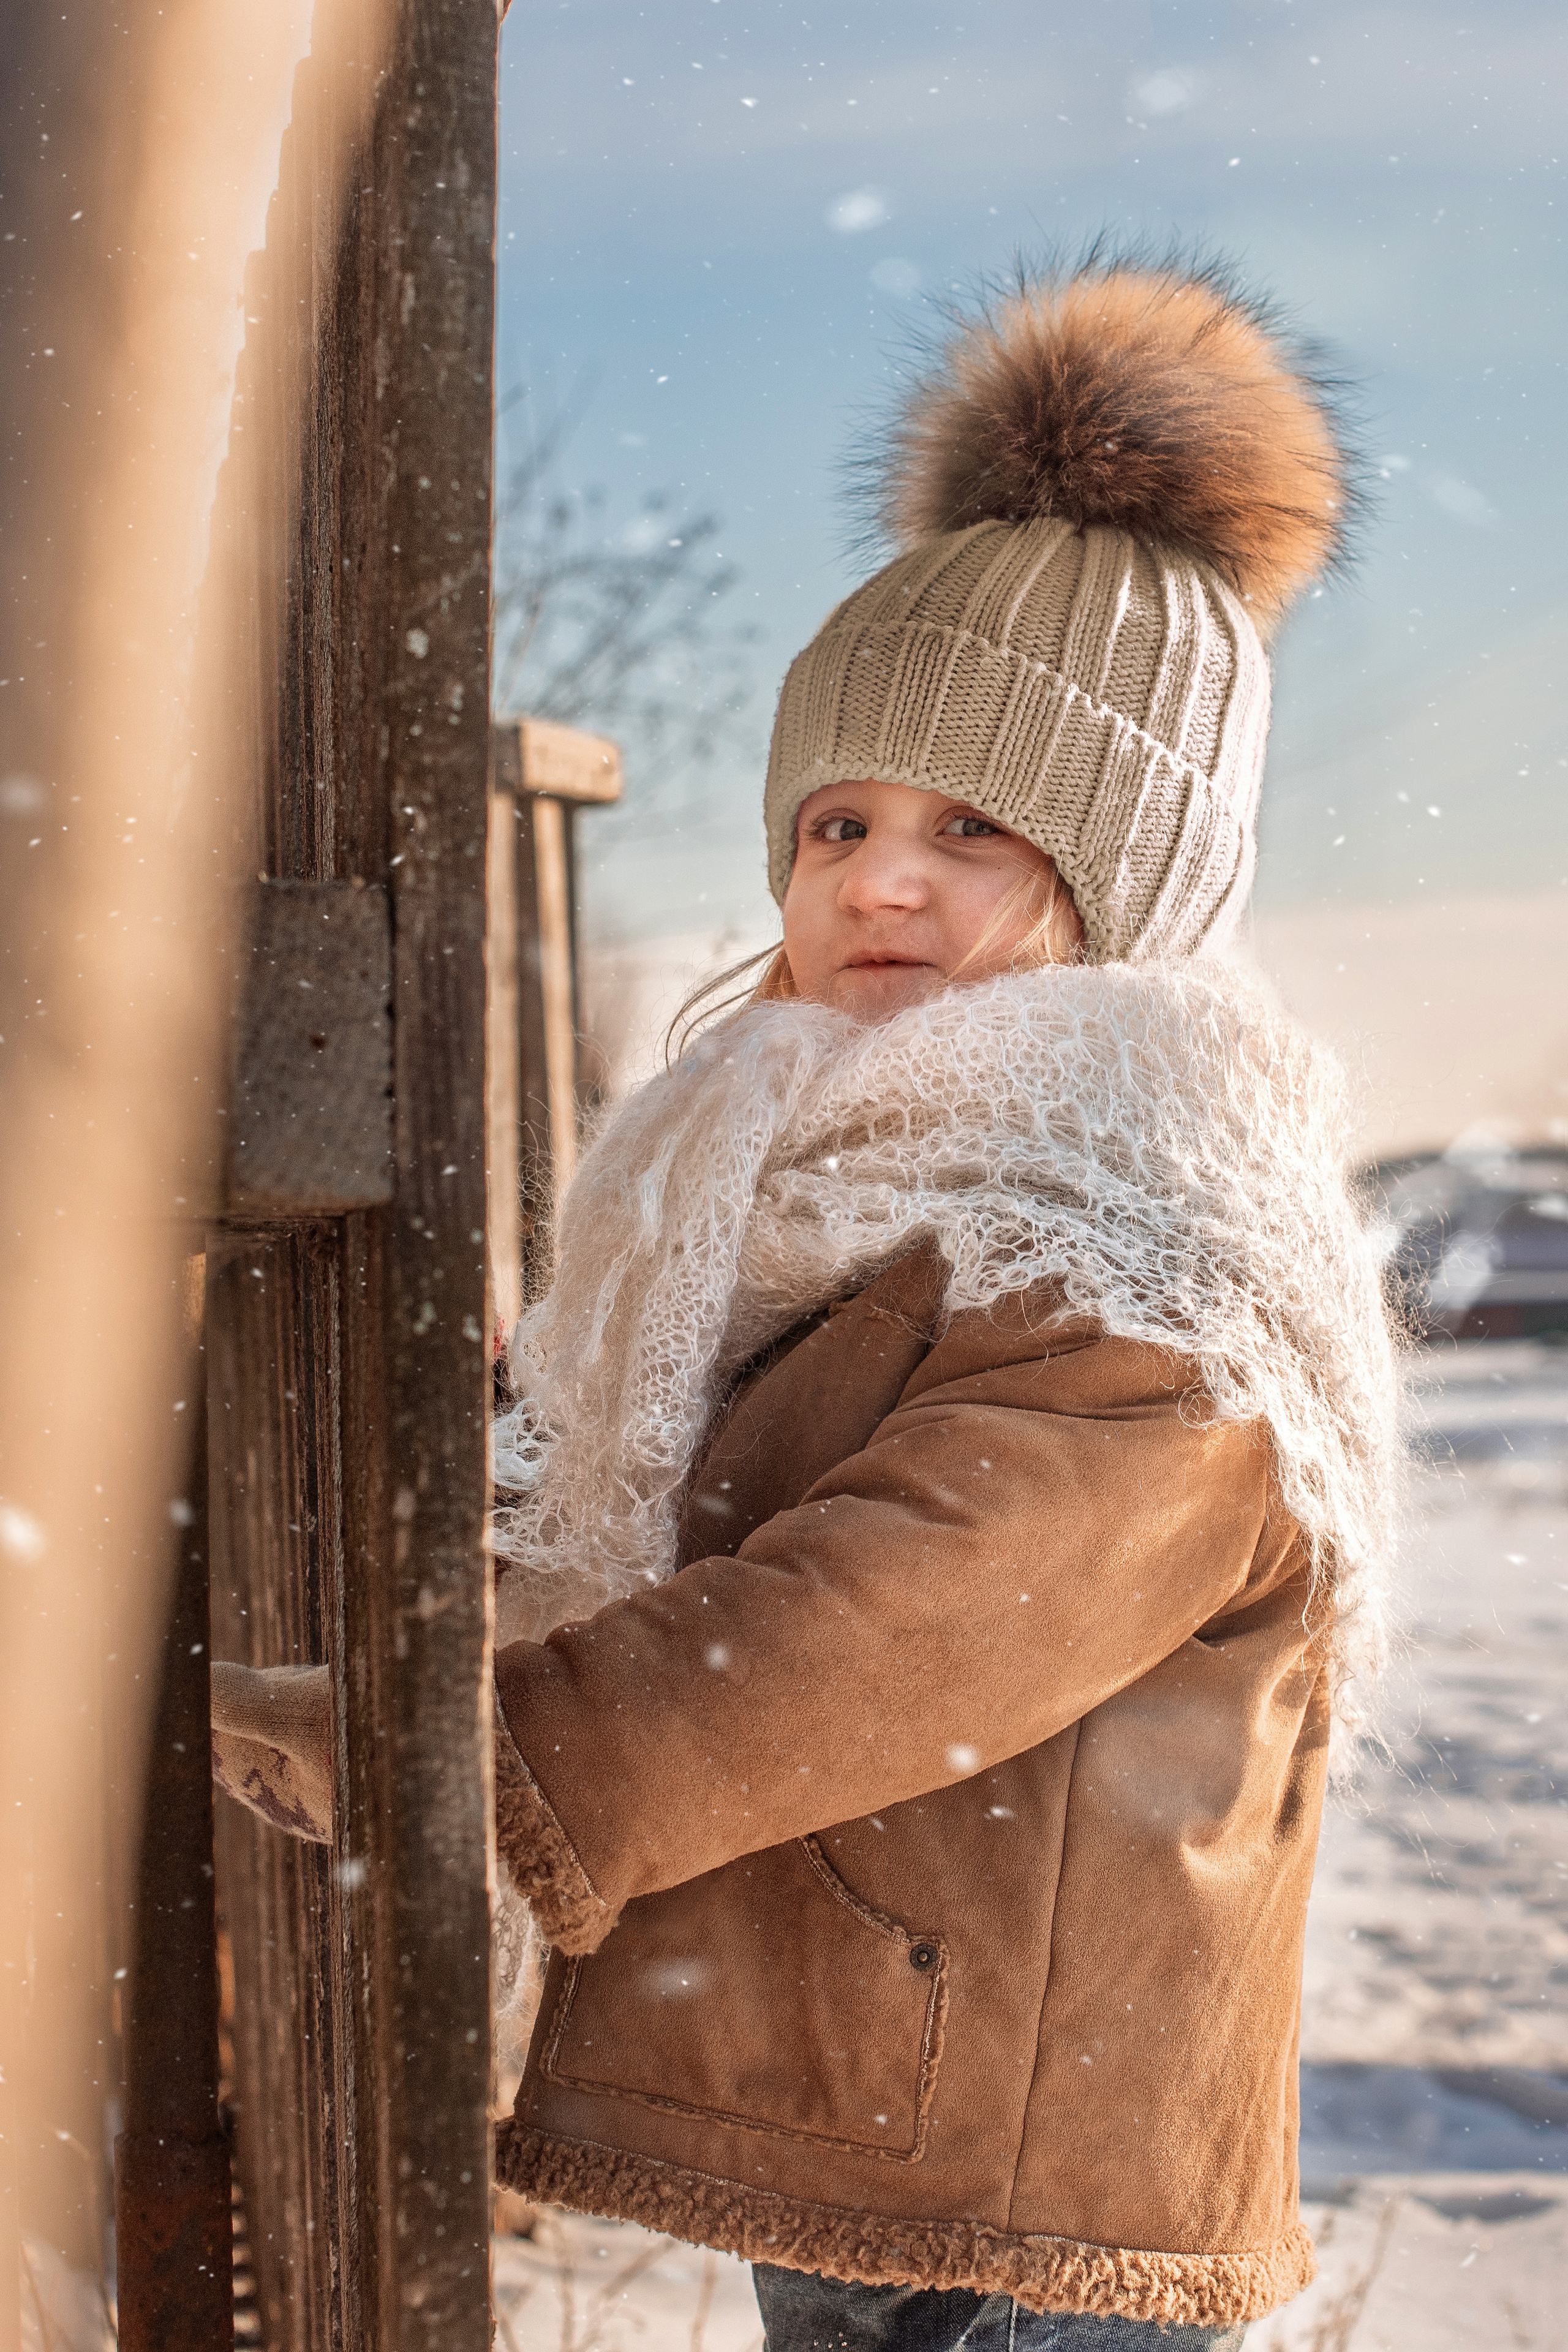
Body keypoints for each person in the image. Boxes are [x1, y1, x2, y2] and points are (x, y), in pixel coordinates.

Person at [213, 250, 1399, 2348]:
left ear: (1137, 882)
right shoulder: (809, 1196)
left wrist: (473, 1756)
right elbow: (701, 1490)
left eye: (976, 829)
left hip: (1031, 2182)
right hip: (882, 2111)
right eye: (837, 819)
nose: (880, 879)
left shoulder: (1159, 1256)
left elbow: (901, 1610)